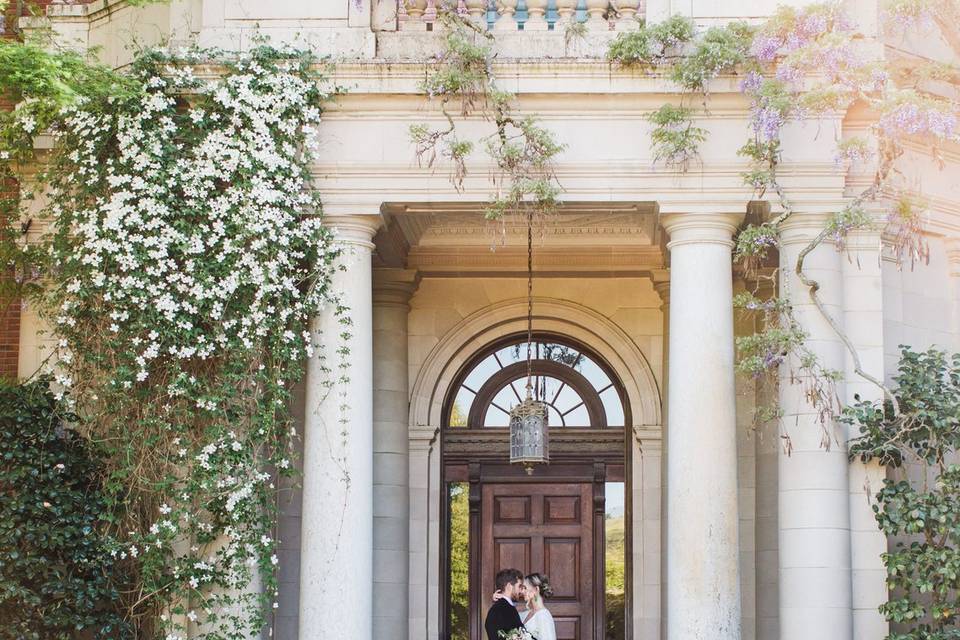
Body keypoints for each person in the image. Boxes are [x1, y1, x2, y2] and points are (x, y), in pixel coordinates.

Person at [485, 568, 526, 640]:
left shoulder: (497, 608)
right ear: (509, 586)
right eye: (519, 586)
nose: (521, 590)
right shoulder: (506, 609)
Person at [520, 573, 556, 640]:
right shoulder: (524, 614)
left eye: (525, 588)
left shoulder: (543, 615)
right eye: (522, 588)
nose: (522, 591)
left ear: (536, 589)